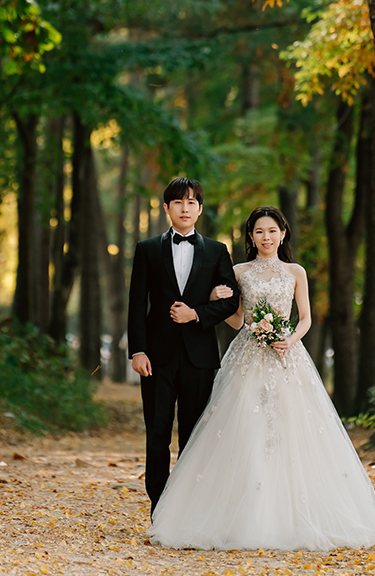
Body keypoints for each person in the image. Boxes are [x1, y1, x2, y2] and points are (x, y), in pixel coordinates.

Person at [149, 206, 375, 550]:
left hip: (287, 357)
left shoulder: (296, 271)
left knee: (291, 429)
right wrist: (212, 298)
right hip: (247, 355)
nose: (266, 237)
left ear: (283, 234)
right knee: (245, 429)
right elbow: (236, 320)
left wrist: (291, 338)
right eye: (259, 232)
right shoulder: (238, 271)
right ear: (250, 236)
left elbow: (306, 317)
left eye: (272, 231)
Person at [128, 177, 241, 517]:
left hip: (200, 358)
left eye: (192, 202)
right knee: (158, 432)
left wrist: (197, 314)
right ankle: (159, 510)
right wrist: (138, 350)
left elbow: (232, 300)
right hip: (156, 358)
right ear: (166, 208)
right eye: (178, 202)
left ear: (200, 209)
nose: (185, 208)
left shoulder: (217, 251)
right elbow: (137, 303)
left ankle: (190, 511)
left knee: (194, 435)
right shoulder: (147, 249)